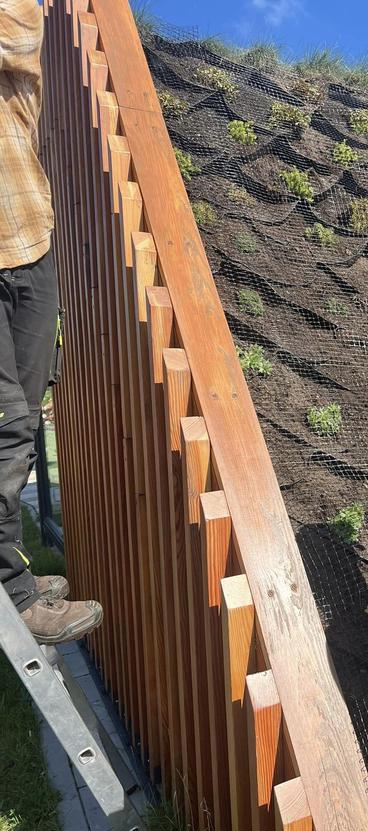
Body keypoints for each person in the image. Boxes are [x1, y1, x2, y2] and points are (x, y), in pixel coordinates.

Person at [1, 0, 102, 643]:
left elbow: (18, 31)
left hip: (23, 233)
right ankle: (9, 592)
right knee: (5, 421)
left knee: (26, 409)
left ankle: (11, 562)